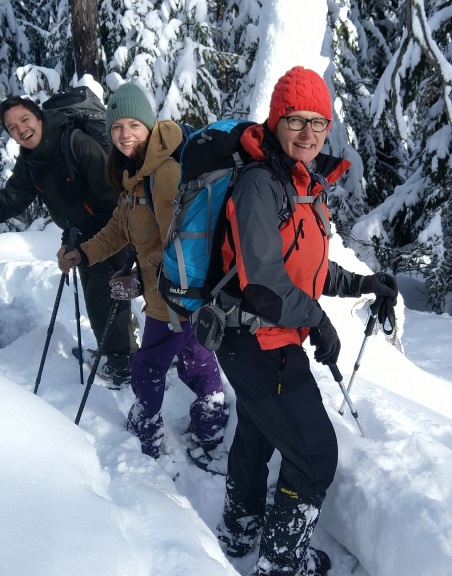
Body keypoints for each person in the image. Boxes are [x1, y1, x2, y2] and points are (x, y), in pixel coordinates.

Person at [212, 67, 399, 576]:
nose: (308, 132)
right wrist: (317, 321)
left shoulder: (303, 186)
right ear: (276, 121)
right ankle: (282, 564)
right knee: (315, 456)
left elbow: (307, 268)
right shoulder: (260, 184)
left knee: (256, 431)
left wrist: (362, 283)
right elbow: (264, 284)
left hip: (263, 337)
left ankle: (239, 529)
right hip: (255, 338)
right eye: (296, 119)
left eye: (318, 122)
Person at [58, 83, 229, 464]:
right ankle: (212, 427)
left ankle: (145, 435)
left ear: (149, 125)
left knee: (148, 366)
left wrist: (138, 279)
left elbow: (179, 245)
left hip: (173, 296)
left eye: (134, 125)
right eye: (117, 127)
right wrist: (84, 253)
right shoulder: (137, 174)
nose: (125, 135)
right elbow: (119, 229)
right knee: (196, 361)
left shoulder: (163, 173)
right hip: (181, 295)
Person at [0, 94, 137, 386]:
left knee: (104, 296)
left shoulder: (77, 144)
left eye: (25, 120)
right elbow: (8, 204)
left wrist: (83, 234)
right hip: (80, 236)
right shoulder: (31, 162)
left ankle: (123, 364)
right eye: (12, 127)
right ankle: (122, 350)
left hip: (111, 231)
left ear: (39, 117)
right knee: (102, 296)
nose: (21, 130)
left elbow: (112, 199)